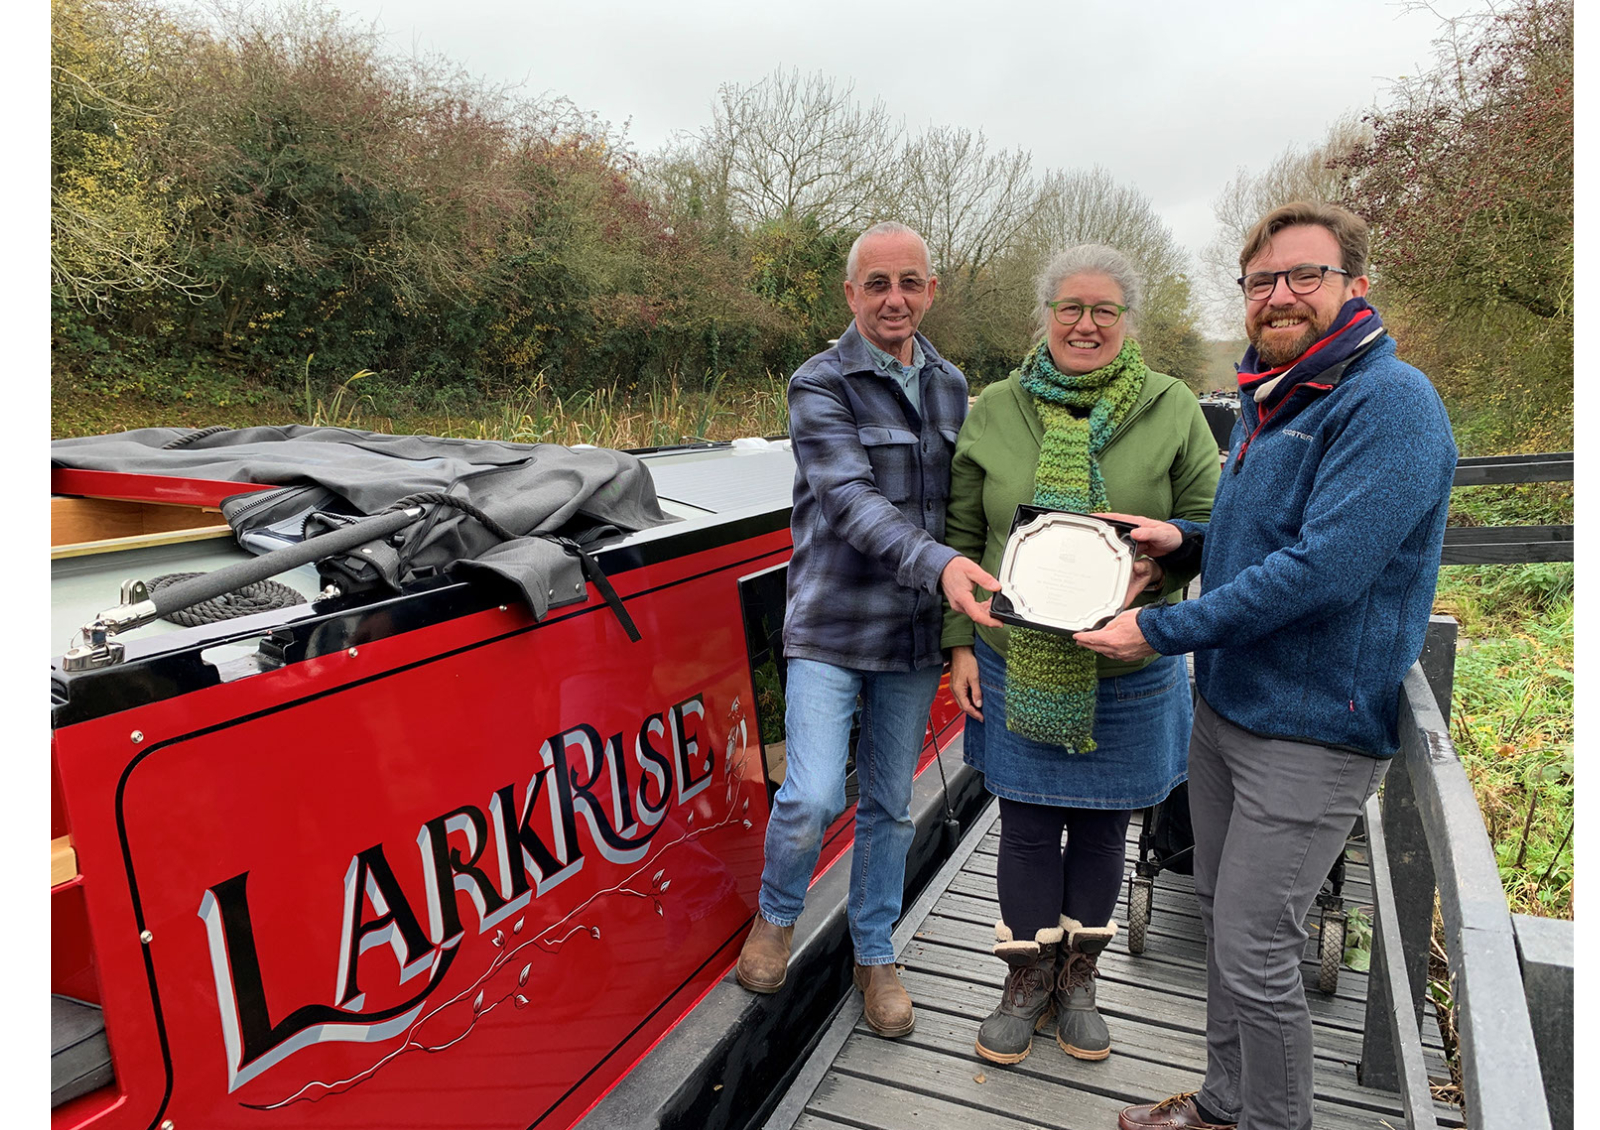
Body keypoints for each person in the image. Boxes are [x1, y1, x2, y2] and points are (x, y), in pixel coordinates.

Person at [1076, 202, 1458, 1130]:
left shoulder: (1390, 402)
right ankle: (1221, 1104)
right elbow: (1267, 538)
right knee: (1221, 923)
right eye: (1261, 282)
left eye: (1304, 276)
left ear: (1354, 286)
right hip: (1231, 712)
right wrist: (1188, 541)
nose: (1279, 295)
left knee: (1257, 948)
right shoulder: (1275, 394)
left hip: (1314, 729)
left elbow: (1325, 570)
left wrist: (1163, 630)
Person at [941, 244, 1220, 1065]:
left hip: (1131, 663)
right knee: (1025, 826)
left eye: (1104, 310)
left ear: (1127, 319)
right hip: (1011, 657)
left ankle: (1079, 979)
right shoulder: (994, 407)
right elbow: (961, 535)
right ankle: (1023, 981)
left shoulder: (1172, 406)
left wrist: (1164, 563)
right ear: (1046, 315)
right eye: (1071, 308)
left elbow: (1209, 522)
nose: (1086, 324)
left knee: (1103, 832)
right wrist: (959, 643)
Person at [734, 221, 1001, 1038]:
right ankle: (777, 913)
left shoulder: (956, 386)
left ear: (931, 291)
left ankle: (875, 951)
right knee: (813, 793)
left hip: (914, 635)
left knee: (888, 804)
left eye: (910, 283)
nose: (895, 299)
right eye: (877, 285)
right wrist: (942, 566)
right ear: (851, 295)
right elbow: (848, 501)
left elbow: (964, 512)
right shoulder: (818, 383)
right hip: (830, 623)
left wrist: (960, 630)